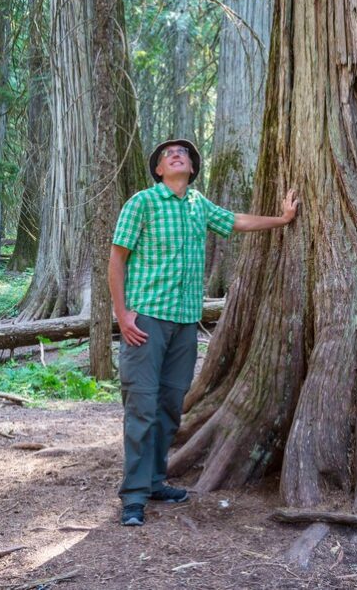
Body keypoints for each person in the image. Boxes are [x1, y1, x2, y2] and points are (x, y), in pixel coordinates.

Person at [108, 138, 299, 526]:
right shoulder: (141, 203)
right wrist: (123, 315)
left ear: (192, 169)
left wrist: (282, 220)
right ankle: (133, 496)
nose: (176, 156)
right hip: (146, 321)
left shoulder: (199, 206)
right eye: (167, 155)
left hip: (184, 323)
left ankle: (156, 481)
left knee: (170, 406)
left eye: (184, 154)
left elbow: (236, 221)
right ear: (159, 170)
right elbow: (117, 258)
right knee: (141, 406)